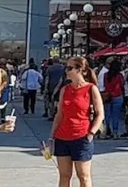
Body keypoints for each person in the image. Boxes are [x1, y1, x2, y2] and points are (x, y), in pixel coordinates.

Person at [51, 57, 103, 187]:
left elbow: (100, 114)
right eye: (66, 68)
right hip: (62, 137)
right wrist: (51, 137)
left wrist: (91, 133)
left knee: (84, 177)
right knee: (64, 176)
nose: (66, 71)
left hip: (81, 137)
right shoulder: (65, 89)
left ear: (80, 70)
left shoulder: (91, 89)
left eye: (69, 68)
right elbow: (59, 114)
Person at [102, 61, 125, 140]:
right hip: (117, 95)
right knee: (116, 115)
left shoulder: (106, 75)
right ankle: (115, 132)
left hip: (108, 96)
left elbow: (105, 85)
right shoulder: (120, 75)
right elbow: (122, 85)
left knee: (107, 115)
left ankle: (107, 132)